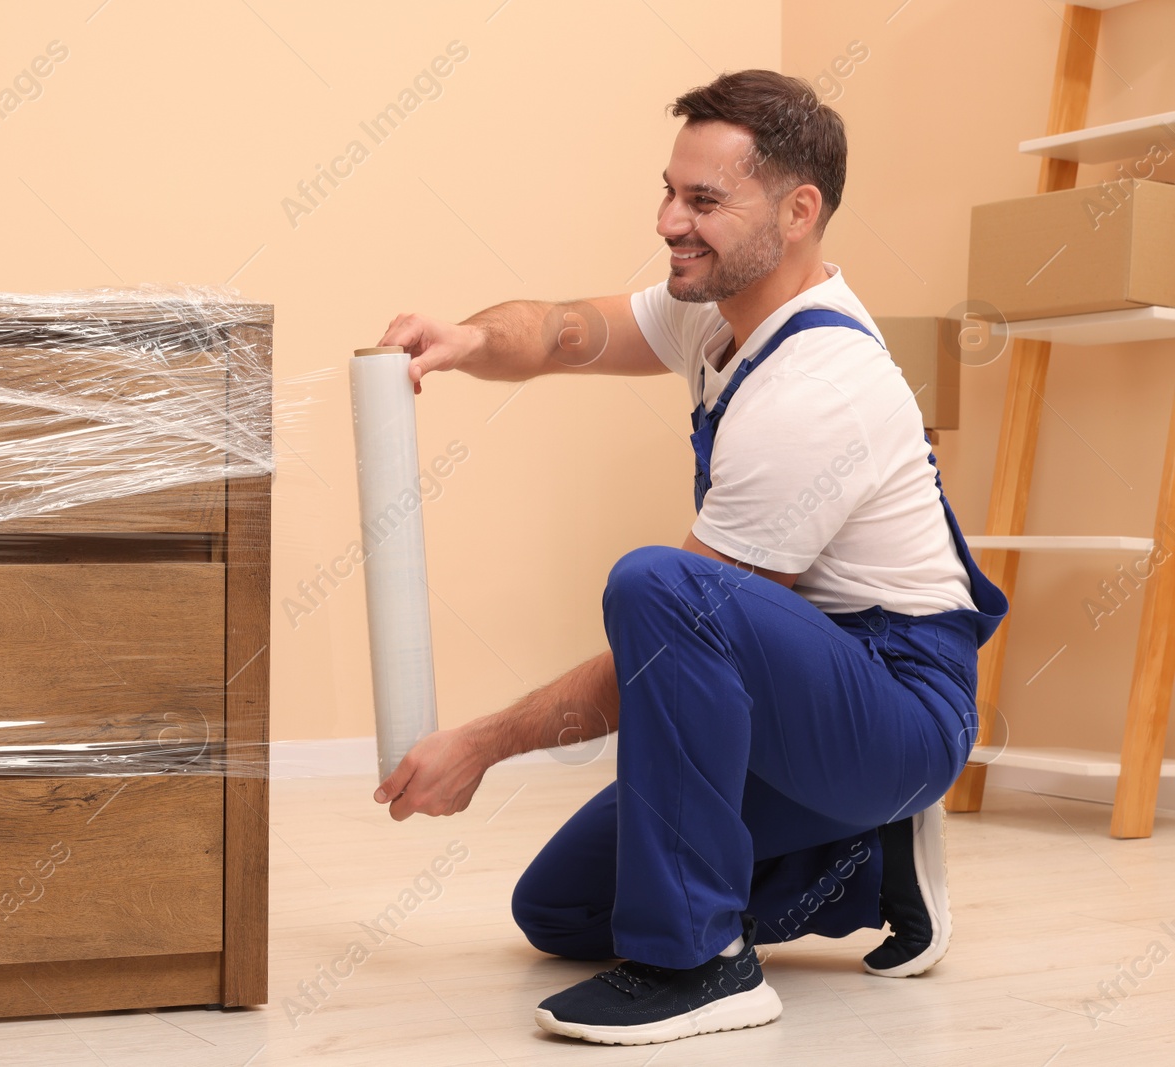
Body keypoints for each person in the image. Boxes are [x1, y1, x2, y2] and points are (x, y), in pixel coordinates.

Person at [368, 68, 1009, 1047]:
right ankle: (869, 858)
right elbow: (558, 330)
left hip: (894, 703)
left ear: (797, 212)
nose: (670, 219)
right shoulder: (714, 315)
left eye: (703, 200)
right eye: (669, 191)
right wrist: (466, 336)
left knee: (659, 586)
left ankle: (701, 964)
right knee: (562, 909)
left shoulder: (816, 387)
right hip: (802, 690)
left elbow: (677, 642)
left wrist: (480, 744)